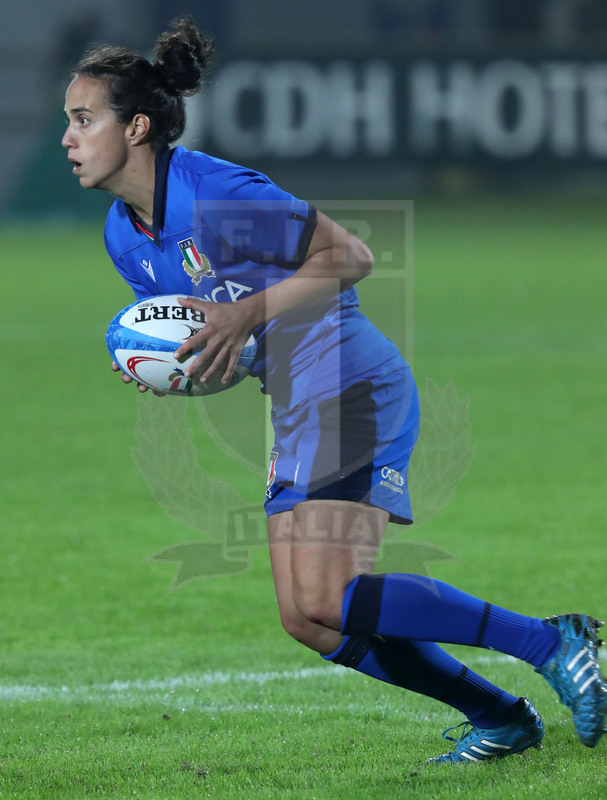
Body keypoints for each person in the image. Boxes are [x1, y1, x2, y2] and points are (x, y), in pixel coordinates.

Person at [62, 16, 606, 764]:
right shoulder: (124, 235)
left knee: (325, 595)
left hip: (350, 384)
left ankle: (549, 642)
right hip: (298, 401)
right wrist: (191, 367)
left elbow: (348, 256)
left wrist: (246, 313)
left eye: (84, 119)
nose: (69, 136)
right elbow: (227, 337)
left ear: (138, 128)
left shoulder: (217, 194)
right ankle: (501, 718)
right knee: (310, 620)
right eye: (69, 121)